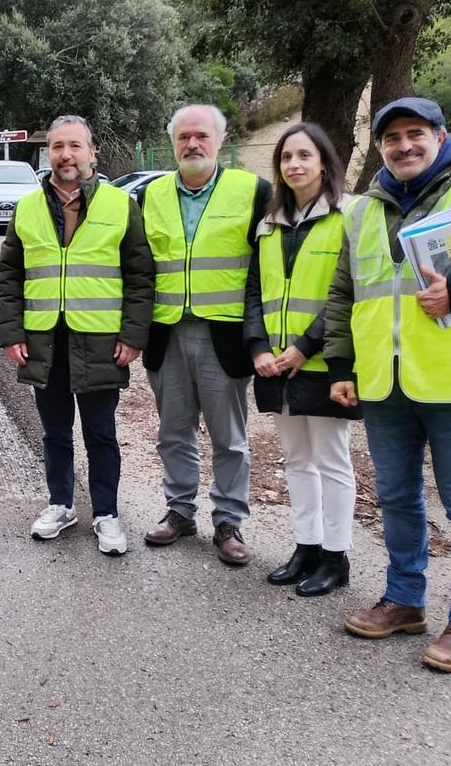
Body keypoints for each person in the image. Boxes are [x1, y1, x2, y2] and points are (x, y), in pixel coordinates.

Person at [326, 96, 451, 673]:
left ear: (441, 137)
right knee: (395, 497)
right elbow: (346, 293)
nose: (404, 146)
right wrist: (342, 367)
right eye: (392, 139)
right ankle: (405, 599)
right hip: (384, 381)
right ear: (381, 148)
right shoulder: (363, 210)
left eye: (416, 133)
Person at [0, 114, 154, 555]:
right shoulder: (27, 207)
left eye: (75, 146)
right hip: (44, 340)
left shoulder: (120, 205)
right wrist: (12, 332)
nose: (66, 155)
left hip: (101, 341)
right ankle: (61, 504)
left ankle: (106, 514)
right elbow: (10, 273)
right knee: (55, 431)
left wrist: (133, 335)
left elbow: (140, 276)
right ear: (48, 154)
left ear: (91, 153)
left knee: (100, 432)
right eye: (58, 146)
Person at [140, 104, 271, 565]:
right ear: (173, 142)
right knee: (173, 432)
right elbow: (140, 267)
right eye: (183, 137)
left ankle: (228, 520)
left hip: (225, 334)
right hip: (167, 330)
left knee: (228, 436)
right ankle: (179, 511)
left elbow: (267, 267)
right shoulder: (152, 194)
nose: (192, 144)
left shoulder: (252, 190)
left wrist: (264, 334)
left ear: (221, 140)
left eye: (202, 136)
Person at [244, 123, 360, 595]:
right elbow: (254, 291)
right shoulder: (268, 223)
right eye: (287, 157)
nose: (294, 164)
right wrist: (258, 348)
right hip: (276, 365)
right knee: (296, 460)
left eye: (304, 156)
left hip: (325, 362)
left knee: (332, 460)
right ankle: (306, 546)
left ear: (324, 163)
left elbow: (347, 296)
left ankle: (336, 556)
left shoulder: (348, 216)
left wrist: (303, 348)